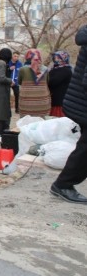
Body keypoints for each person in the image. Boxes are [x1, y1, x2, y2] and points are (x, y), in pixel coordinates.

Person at [50, 25, 87, 204]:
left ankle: (63, 184)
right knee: (85, 149)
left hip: (78, 101)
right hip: (82, 103)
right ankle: (63, 184)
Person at [17, 49, 50, 117]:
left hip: (27, 104)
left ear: (27, 57)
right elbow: (47, 82)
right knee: (41, 125)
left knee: (27, 125)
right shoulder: (45, 69)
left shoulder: (23, 69)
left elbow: (19, 82)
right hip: (43, 103)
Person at [48, 50, 73, 117]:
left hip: (60, 102)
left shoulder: (65, 70)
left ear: (63, 59)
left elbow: (52, 82)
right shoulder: (54, 69)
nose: (55, 59)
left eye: (57, 57)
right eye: (55, 57)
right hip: (54, 100)